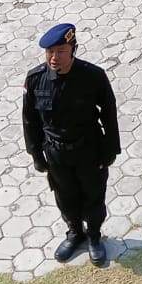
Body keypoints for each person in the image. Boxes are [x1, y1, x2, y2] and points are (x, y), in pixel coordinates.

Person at [22, 23, 119, 267]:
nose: (54, 57)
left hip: (88, 149)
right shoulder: (35, 79)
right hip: (55, 153)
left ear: (73, 49)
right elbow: (29, 119)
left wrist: (110, 150)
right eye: (50, 52)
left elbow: (109, 113)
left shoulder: (93, 76)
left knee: (93, 195)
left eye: (61, 51)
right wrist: (36, 153)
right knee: (65, 195)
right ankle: (75, 232)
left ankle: (94, 236)